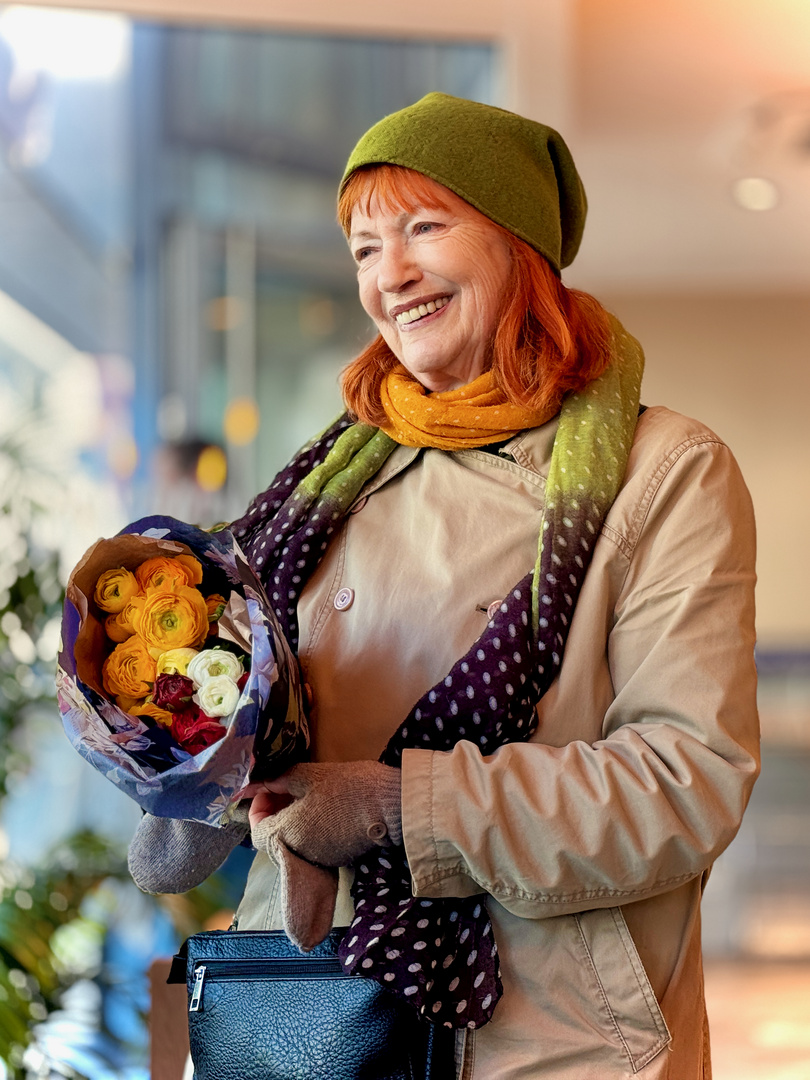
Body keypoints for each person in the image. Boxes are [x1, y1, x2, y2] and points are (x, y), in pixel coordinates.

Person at [129, 93, 759, 1078]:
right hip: (307, 1022)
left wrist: (395, 806)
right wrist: (183, 776)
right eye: (366, 248)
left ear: (520, 247)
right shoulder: (324, 482)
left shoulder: (664, 472)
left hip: (541, 1040)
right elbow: (247, 700)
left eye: (425, 227)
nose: (393, 274)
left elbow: (686, 782)